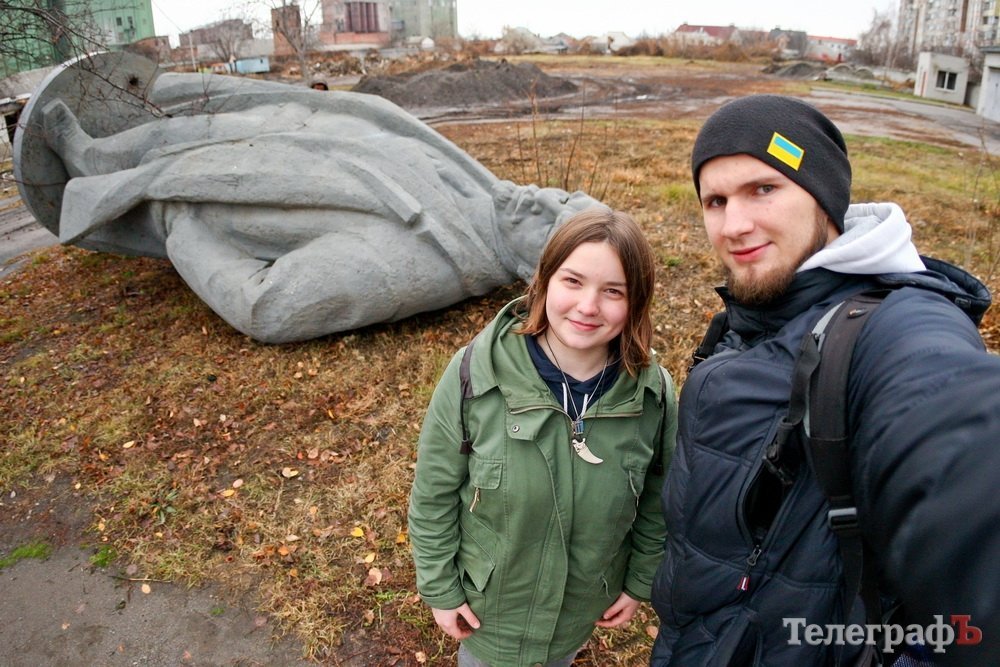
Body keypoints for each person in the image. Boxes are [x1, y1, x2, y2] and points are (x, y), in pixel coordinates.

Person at [649, 94, 1000, 666]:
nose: (735, 226)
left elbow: (950, 428)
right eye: (716, 200)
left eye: (764, 188)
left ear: (825, 198)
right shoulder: (757, 315)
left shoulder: (892, 326)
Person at [14, 52, 600, 343]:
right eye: (564, 196)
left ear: (533, 272)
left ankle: (99, 175)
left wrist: (180, 228)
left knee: (182, 160)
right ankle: (99, 155)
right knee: (189, 133)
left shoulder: (409, 266)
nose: (542, 198)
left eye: (550, 220)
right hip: (274, 139)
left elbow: (269, 308)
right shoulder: (487, 196)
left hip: (227, 187)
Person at [408, 207, 677, 666]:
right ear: (544, 282)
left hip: (578, 612)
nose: (588, 306)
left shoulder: (654, 395)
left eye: (613, 291)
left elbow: (658, 498)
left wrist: (639, 581)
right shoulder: (475, 374)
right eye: (573, 281)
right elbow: (433, 493)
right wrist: (440, 589)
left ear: (637, 302)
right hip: (490, 615)